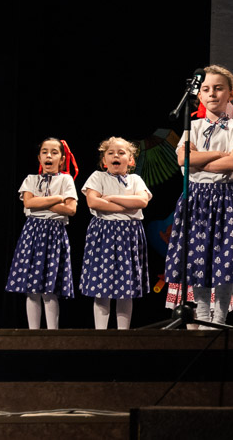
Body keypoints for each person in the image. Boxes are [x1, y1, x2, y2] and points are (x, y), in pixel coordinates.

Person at [164, 64, 233, 327]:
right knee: (198, 256)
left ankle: (220, 316)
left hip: (224, 196)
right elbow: (184, 160)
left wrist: (200, 159)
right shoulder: (191, 127)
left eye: (218, 88)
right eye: (206, 89)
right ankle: (202, 315)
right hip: (196, 196)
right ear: (199, 95)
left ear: (231, 93)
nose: (212, 93)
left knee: (225, 257)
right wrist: (219, 154)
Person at [6, 137, 79, 329]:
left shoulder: (66, 179)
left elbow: (71, 209)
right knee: (32, 288)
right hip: (32, 233)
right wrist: (57, 198)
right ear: (39, 157)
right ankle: (33, 334)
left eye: (54, 153)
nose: (49, 156)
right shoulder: (31, 179)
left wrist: (43, 204)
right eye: (45, 152)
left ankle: (52, 334)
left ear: (62, 159)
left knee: (50, 288)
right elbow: (29, 203)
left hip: (55, 233)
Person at [80, 136, 152, 330]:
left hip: (129, 234)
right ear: (104, 160)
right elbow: (93, 202)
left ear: (131, 160)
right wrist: (126, 206)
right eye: (110, 153)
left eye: (121, 153)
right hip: (103, 233)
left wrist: (110, 198)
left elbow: (142, 202)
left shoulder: (136, 180)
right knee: (101, 286)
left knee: (125, 287)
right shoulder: (98, 177)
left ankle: (124, 334)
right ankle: (100, 333)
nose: (115, 156)